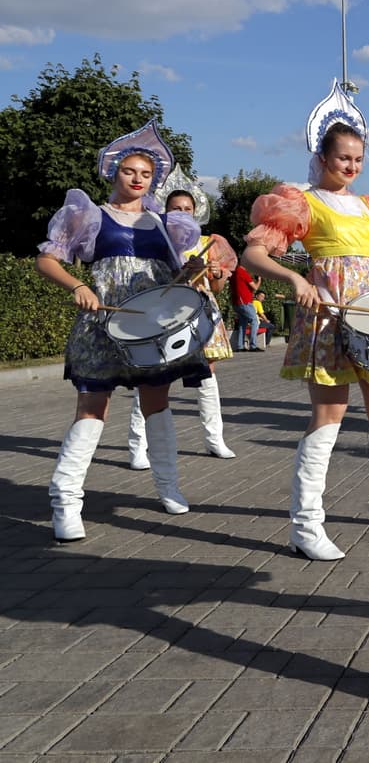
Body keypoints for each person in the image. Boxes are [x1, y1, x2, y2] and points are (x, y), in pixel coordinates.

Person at [239, 80, 369, 562]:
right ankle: (306, 524)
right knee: (328, 416)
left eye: (358, 159)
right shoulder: (302, 201)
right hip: (328, 315)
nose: (351, 166)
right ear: (324, 157)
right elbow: (253, 254)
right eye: (343, 157)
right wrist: (295, 279)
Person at [35, 120, 206, 541]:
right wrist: (77, 285)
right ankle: (66, 501)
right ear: (113, 172)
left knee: (157, 405)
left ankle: (168, 487)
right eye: (129, 171)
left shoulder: (169, 223)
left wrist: (196, 272)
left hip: (153, 327)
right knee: (92, 408)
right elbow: (47, 260)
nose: (137, 179)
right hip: (102, 323)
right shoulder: (88, 215)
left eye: (145, 174)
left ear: (155, 180)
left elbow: (177, 275)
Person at [127, 172, 239, 470]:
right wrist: (183, 272)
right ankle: (138, 445)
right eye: (175, 208)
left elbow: (216, 289)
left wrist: (214, 273)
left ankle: (214, 438)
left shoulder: (207, 241)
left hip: (200, 312)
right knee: (152, 378)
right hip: (165, 313)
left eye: (186, 209)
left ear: (195, 211)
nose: (181, 213)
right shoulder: (156, 240)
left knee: (206, 374)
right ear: (165, 211)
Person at [229, 265, 262, 351]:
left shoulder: (233, 272)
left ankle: (240, 346)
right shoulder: (243, 272)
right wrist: (259, 280)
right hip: (245, 302)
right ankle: (253, 345)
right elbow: (255, 287)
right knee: (255, 320)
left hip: (236, 302)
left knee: (242, 323)